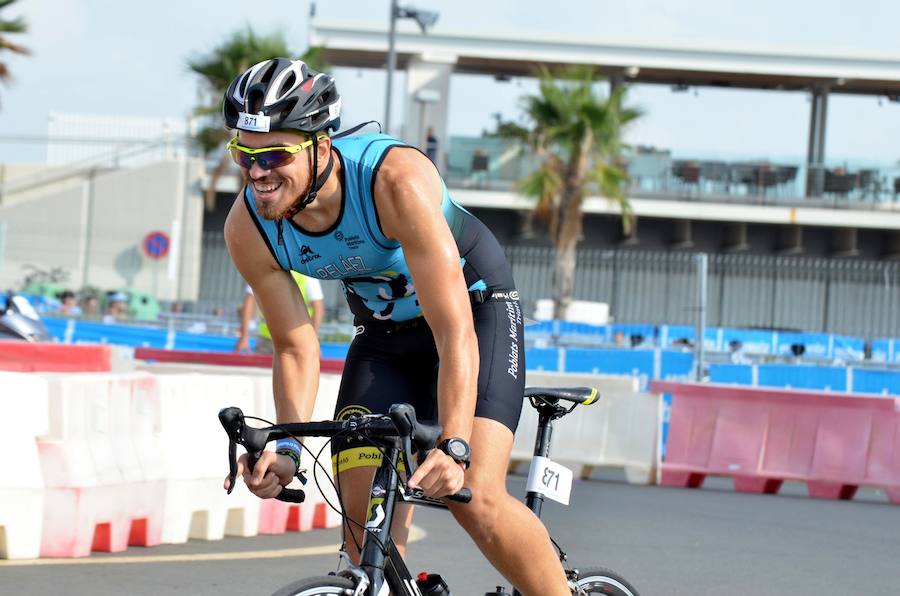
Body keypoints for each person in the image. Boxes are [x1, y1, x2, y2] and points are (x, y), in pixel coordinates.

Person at [220, 58, 570, 595]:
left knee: (473, 494)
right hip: (385, 338)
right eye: (243, 155)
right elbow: (293, 345)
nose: (257, 173)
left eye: (274, 155)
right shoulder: (248, 227)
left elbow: (454, 331)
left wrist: (453, 443)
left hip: (475, 313)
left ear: (320, 144)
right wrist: (286, 448)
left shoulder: (394, 182)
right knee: (363, 523)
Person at [234, 271, 324, 353]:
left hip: (278, 339)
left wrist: (244, 337)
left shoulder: (263, 266)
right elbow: (318, 308)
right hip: (292, 339)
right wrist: (313, 341)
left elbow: (249, 301)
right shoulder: (305, 272)